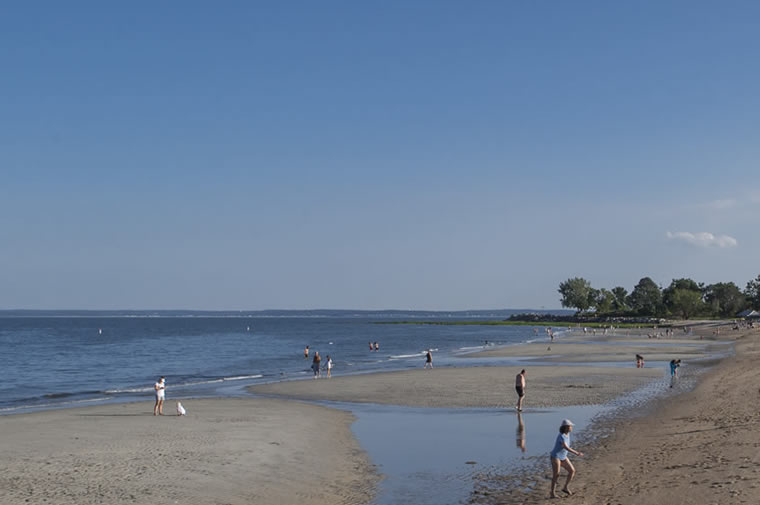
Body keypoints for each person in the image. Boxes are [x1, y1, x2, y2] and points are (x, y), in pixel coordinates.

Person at [550, 419, 583, 498]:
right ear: (566, 427)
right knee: (556, 474)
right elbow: (566, 447)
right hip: (556, 457)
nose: (572, 428)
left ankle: (565, 487)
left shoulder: (568, 434)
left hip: (563, 457)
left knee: (572, 471)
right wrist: (576, 453)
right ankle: (552, 493)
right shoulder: (561, 436)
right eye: (571, 426)